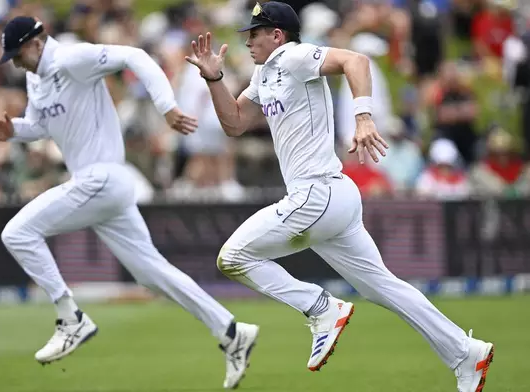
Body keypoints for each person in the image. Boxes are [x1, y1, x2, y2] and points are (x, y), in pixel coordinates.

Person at [185, 2, 494, 391]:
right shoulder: (265, 74)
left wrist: (363, 116)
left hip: (317, 193)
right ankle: (465, 352)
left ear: (277, 35)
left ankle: (320, 307)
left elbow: (356, 60)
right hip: (333, 198)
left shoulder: (293, 55)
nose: (248, 41)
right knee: (385, 287)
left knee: (233, 257)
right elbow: (234, 123)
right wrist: (215, 80)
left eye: (256, 33)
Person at [0, 16, 258, 389]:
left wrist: (166, 107)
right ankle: (231, 332)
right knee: (151, 273)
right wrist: (13, 130)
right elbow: (41, 126)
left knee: (17, 233)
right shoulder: (35, 79)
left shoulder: (71, 59)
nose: (15, 63)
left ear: (35, 43)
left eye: (17, 54)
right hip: (102, 188)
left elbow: (136, 56)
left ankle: (71, 318)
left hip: (102, 178)